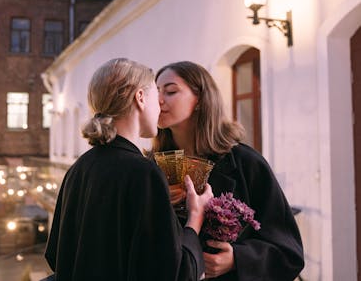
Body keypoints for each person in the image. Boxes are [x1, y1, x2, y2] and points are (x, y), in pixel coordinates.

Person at [45, 58, 213, 281]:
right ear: (140, 98)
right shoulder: (143, 173)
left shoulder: (79, 168)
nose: (160, 104)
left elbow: (56, 257)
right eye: (156, 95)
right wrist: (195, 217)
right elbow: (173, 274)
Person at [153, 61, 304, 280]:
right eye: (155, 91)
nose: (158, 100)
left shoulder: (246, 163)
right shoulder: (151, 167)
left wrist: (237, 259)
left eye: (170, 91)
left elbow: (289, 251)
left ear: (200, 100)